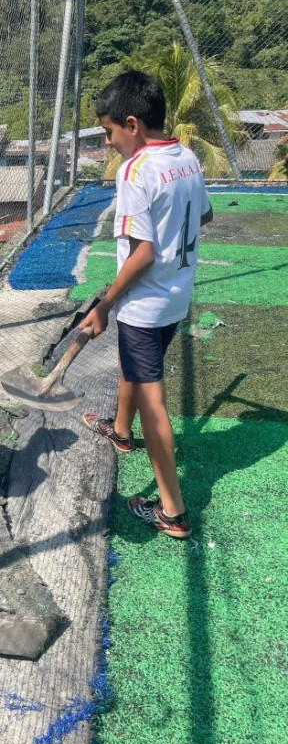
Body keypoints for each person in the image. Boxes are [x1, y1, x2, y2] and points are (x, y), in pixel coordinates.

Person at [79, 70, 213, 539]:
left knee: (153, 401)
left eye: (110, 132)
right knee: (136, 368)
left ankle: (172, 511)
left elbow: (143, 253)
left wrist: (105, 303)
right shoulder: (187, 157)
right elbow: (206, 213)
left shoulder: (134, 171)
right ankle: (120, 430)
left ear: (132, 124)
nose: (110, 142)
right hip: (177, 297)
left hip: (145, 303)